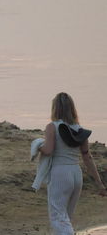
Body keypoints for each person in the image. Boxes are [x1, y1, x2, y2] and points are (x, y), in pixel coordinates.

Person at [38, 92, 106, 234]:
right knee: (66, 217)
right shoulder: (80, 130)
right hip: (76, 174)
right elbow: (87, 158)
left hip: (60, 173)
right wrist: (99, 184)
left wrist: (37, 145)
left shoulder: (52, 126)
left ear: (55, 108)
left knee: (58, 217)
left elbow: (48, 150)